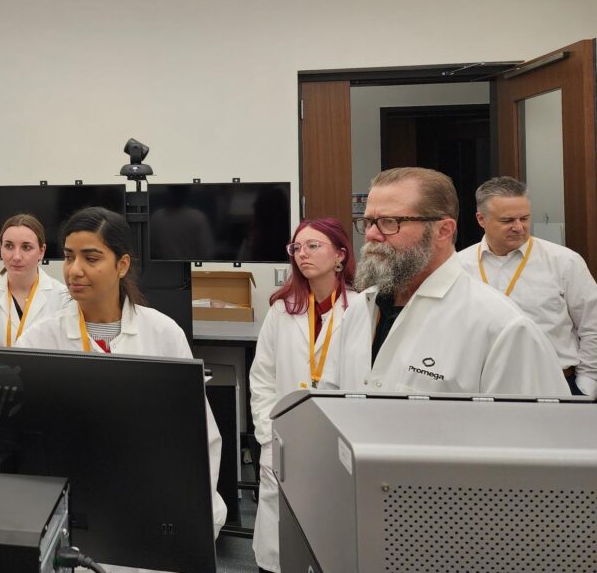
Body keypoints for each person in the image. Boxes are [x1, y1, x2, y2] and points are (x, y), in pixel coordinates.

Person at [16, 207, 228, 546]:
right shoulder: (41, 339)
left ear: (122, 265)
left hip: (151, 505)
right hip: (70, 508)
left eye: (91, 257)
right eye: (69, 257)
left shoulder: (162, 333)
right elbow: (23, 436)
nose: (75, 270)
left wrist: (190, 514)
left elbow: (200, 436)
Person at [321, 167, 568, 396]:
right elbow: (330, 400)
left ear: (443, 231)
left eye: (389, 222)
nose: (372, 235)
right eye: (368, 222)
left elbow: (532, 433)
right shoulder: (359, 311)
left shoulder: (502, 326)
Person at [248, 218, 357, 573]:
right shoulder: (283, 309)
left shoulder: (359, 309)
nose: (302, 254)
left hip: (336, 439)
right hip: (284, 439)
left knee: (331, 536)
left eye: (313, 246)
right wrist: (267, 435)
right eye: (297, 247)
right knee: (277, 544)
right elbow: (262, 376)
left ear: (340, 255)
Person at [458, 177, 597, 396]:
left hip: (556, 387)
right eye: (507, 220)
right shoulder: (459, 267)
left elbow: (592, 324)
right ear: (481, 219)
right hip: (482, 389)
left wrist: (587, 384)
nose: (518, 227)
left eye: (524, 218)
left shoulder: (564, 262)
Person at [0, 213, 71, 346]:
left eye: (26, 247)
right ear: (0, 248)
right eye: (9, 246)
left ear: (41, 251)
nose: (16, 257)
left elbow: (64, 354)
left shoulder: (63, 298)